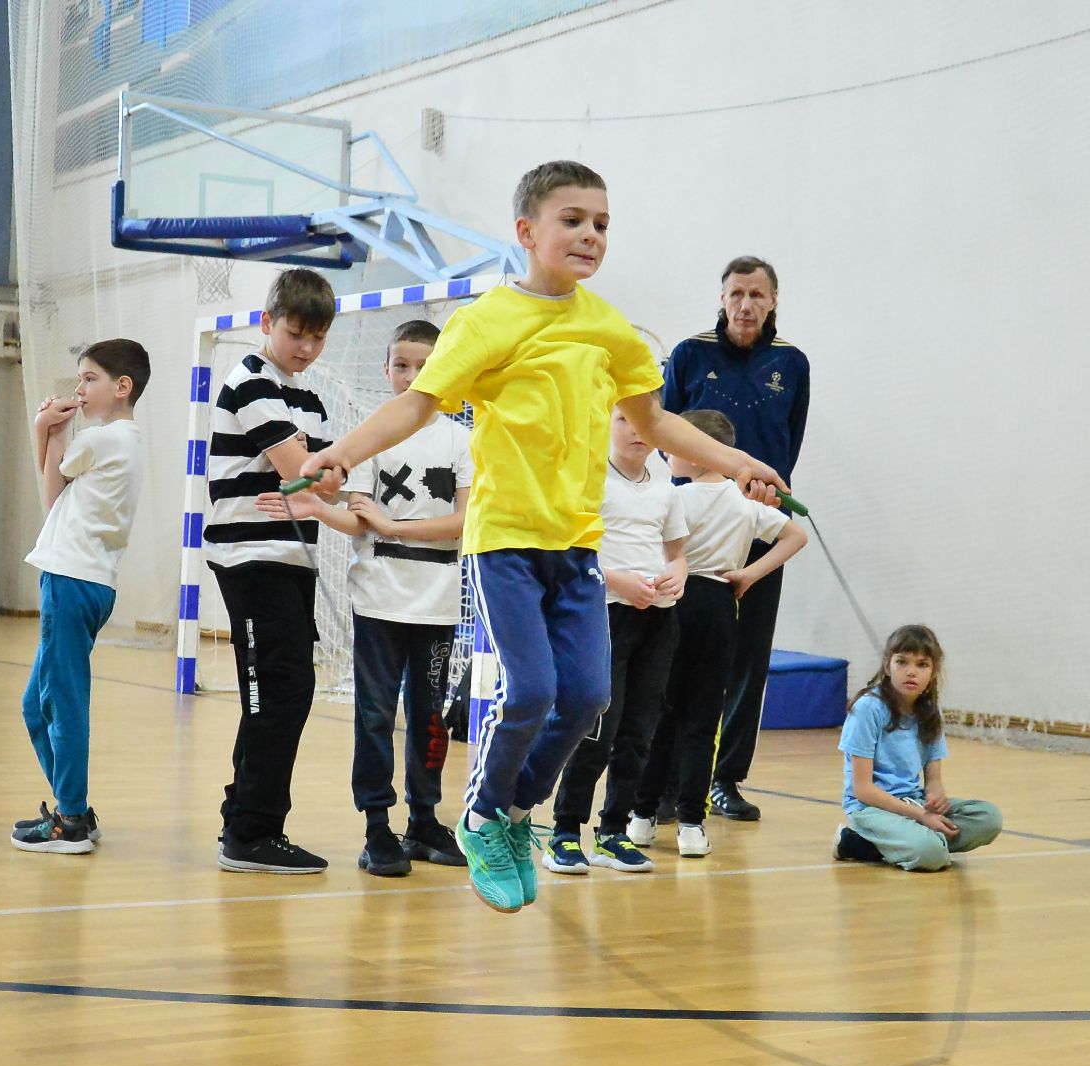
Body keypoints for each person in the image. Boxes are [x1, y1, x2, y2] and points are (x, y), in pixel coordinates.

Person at [299, 160, 789, 913]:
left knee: (588, 696)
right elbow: (419, 406)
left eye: (601, 223)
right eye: (573, 220)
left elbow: (657, 423)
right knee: (529, 691)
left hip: (577, 548)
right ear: (527, 232)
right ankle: (482, 810)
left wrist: (739, 460)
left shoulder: (608, 329)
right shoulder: (488, 321)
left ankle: (507, 813)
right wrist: (343, 453)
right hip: (504, 542)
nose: (591, 234)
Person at [256, 319, 472, 877]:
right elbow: (359, 520)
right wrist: (318, 510)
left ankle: (424, 820)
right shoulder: (375, 434)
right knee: (374, 714)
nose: (411, 375)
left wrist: (396, 528)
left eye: (424, 366)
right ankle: (378, 825)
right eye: (401, 364)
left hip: (439, 601)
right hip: (378, 600)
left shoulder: (464, 440)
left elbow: (467, 524)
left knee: (430, 718)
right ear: (385, 369)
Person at [661, 256, 810, 822]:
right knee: (678, 657)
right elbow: (662, 435)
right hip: (693, 528)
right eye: (735, 294)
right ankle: (672, 781)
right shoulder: (689, 355)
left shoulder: (792, 363)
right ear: (721, 299)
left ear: (773, 301)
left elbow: (788, 442)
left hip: (756, 522)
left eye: (756, 294)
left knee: (749, 656)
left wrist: (764, 496)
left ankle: (725, 779)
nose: (745, 304)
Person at [630, 410, 806, 858]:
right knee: (703, 719)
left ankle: (642, 817)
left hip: (673, 603)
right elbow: (795, 536)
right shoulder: (743, 503)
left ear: (697, 451)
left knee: (660, 714)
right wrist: (749, 575)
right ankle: (692, 823)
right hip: (721, 607)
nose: (667, 451)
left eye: (677, 446)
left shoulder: (672, 499)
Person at [207, 268, 338, 875]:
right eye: (295, 333)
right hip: (251, 558)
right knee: (275, 693)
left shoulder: (307, 396)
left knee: (287, 690)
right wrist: (317, 479)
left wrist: (319, 480)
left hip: (288, 557)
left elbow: (327, 482)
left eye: (317, 337)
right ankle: (251, 834)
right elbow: (302, 470)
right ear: (267, 323)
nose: (306, 348)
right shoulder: (252, 380)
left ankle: (246, 820)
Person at [12, 339, 149, 853]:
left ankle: (70, 819)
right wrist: (53, 432)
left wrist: (45, 428)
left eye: (90, 378)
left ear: (122, 387)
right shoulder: (117, 441)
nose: (80, 387)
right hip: (79, 580)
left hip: (71, 582)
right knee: (34, 707)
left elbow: (52, 482)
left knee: (63, 703)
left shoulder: (106, 438)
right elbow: (56, 498)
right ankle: (74, 807)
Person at [544, 401, 688, 875]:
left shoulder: (666, 484)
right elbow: (569, 553)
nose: (634, 430)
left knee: (639, 732)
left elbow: (676, 554)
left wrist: (676, 577)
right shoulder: (588, 478)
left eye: (642, 420)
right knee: (597, 730)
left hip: (658, 620)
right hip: (603, 617)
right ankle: (566, 831)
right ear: (604, 423)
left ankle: (613, 831)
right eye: (623, 419)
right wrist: (618, 580)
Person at [834, 625, 1003, 870]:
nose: (911, 672)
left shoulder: (930, 713)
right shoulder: (867, 709)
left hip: (914, 803)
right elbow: (863, 790)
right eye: (902, 662)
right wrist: (922, 817)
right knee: (931, 855)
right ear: (887, 665)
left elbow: (933, 780)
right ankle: (859, 842)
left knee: (988, 818)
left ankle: (900, 842)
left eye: (922, 665)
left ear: (934, 671)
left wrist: (936, 800)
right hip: (871, 808)